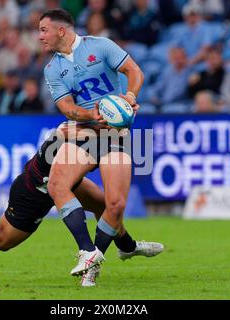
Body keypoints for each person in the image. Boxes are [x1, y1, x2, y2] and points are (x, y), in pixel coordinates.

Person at [0, 124, 163, 287]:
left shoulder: (97, 135)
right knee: (1, 239)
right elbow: (70, 136)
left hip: (61, 183)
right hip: (33, 191)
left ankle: (123, 249)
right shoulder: (71, 131)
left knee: (105, 205)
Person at [39, 9, 162, 279]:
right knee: (57, 184)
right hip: (85, 131)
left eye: (44, 30)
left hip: (116, 134)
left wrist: (129, 96)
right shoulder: (53, 68)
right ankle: (88, 252)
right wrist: (92, 114)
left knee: (115, 204)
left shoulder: (100, 46)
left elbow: (134, 71)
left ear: (61, 30)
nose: (40, 37)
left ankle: (96, 264)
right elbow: (67, 108)